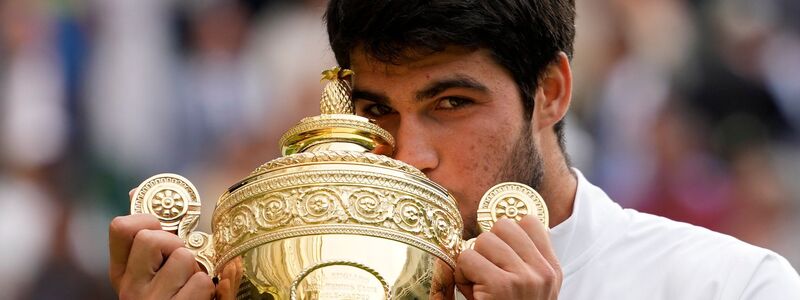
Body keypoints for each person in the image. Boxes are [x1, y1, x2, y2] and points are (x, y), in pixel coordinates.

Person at [108, 0, 800, 299]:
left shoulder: (725, 287)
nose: (409, 155)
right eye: (377, 110)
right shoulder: (301, 279)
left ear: (551, 92)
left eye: (451, 104)